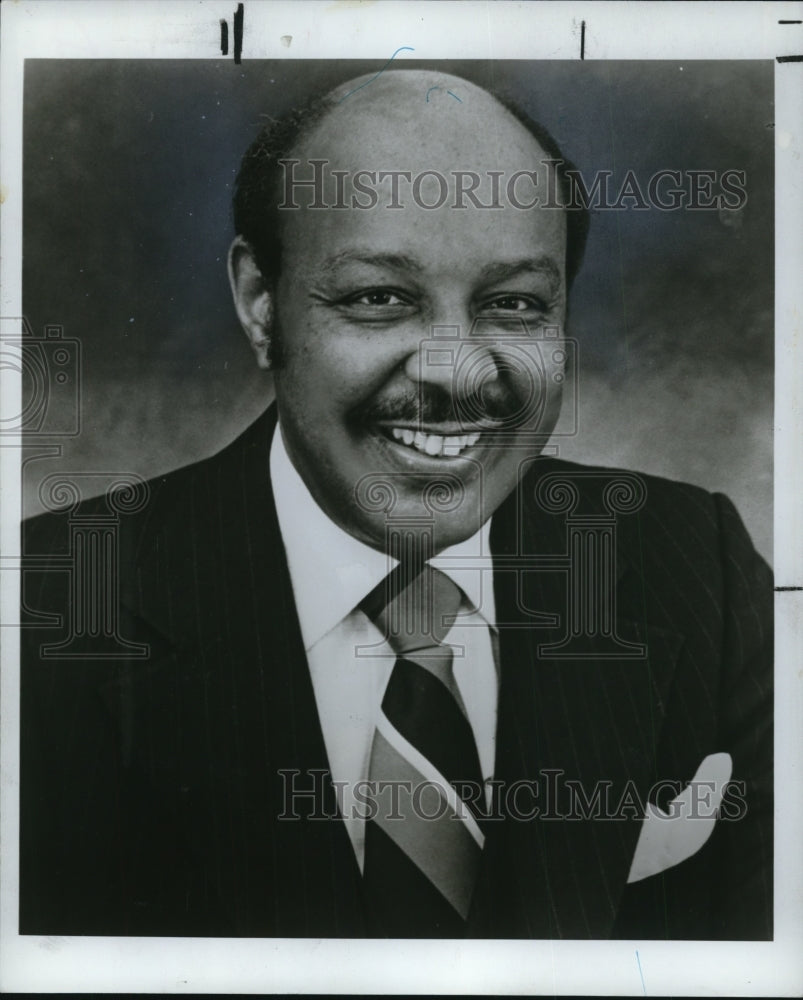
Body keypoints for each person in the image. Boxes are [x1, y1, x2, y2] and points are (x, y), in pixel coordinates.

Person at [19, 69, 772, 940]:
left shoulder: (694, 565)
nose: (457, 373)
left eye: (513, 305)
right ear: (259, 302)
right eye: (379, 298)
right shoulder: (48, 608)